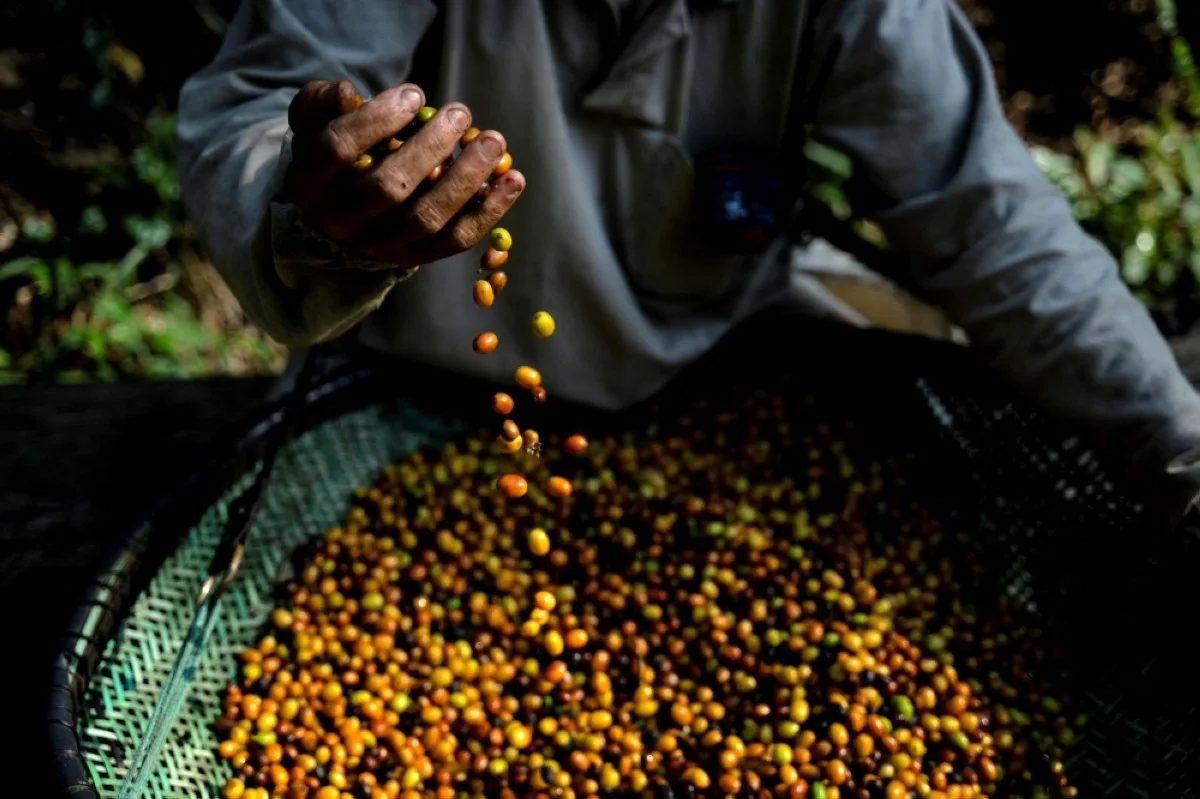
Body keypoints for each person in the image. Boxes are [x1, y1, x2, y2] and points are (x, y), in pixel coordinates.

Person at [177, 0, 1200, 529]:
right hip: (412, 397)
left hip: (717, 374)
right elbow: (263, 103)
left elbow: (999, 234)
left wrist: (1179, 448)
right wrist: (316, 213)